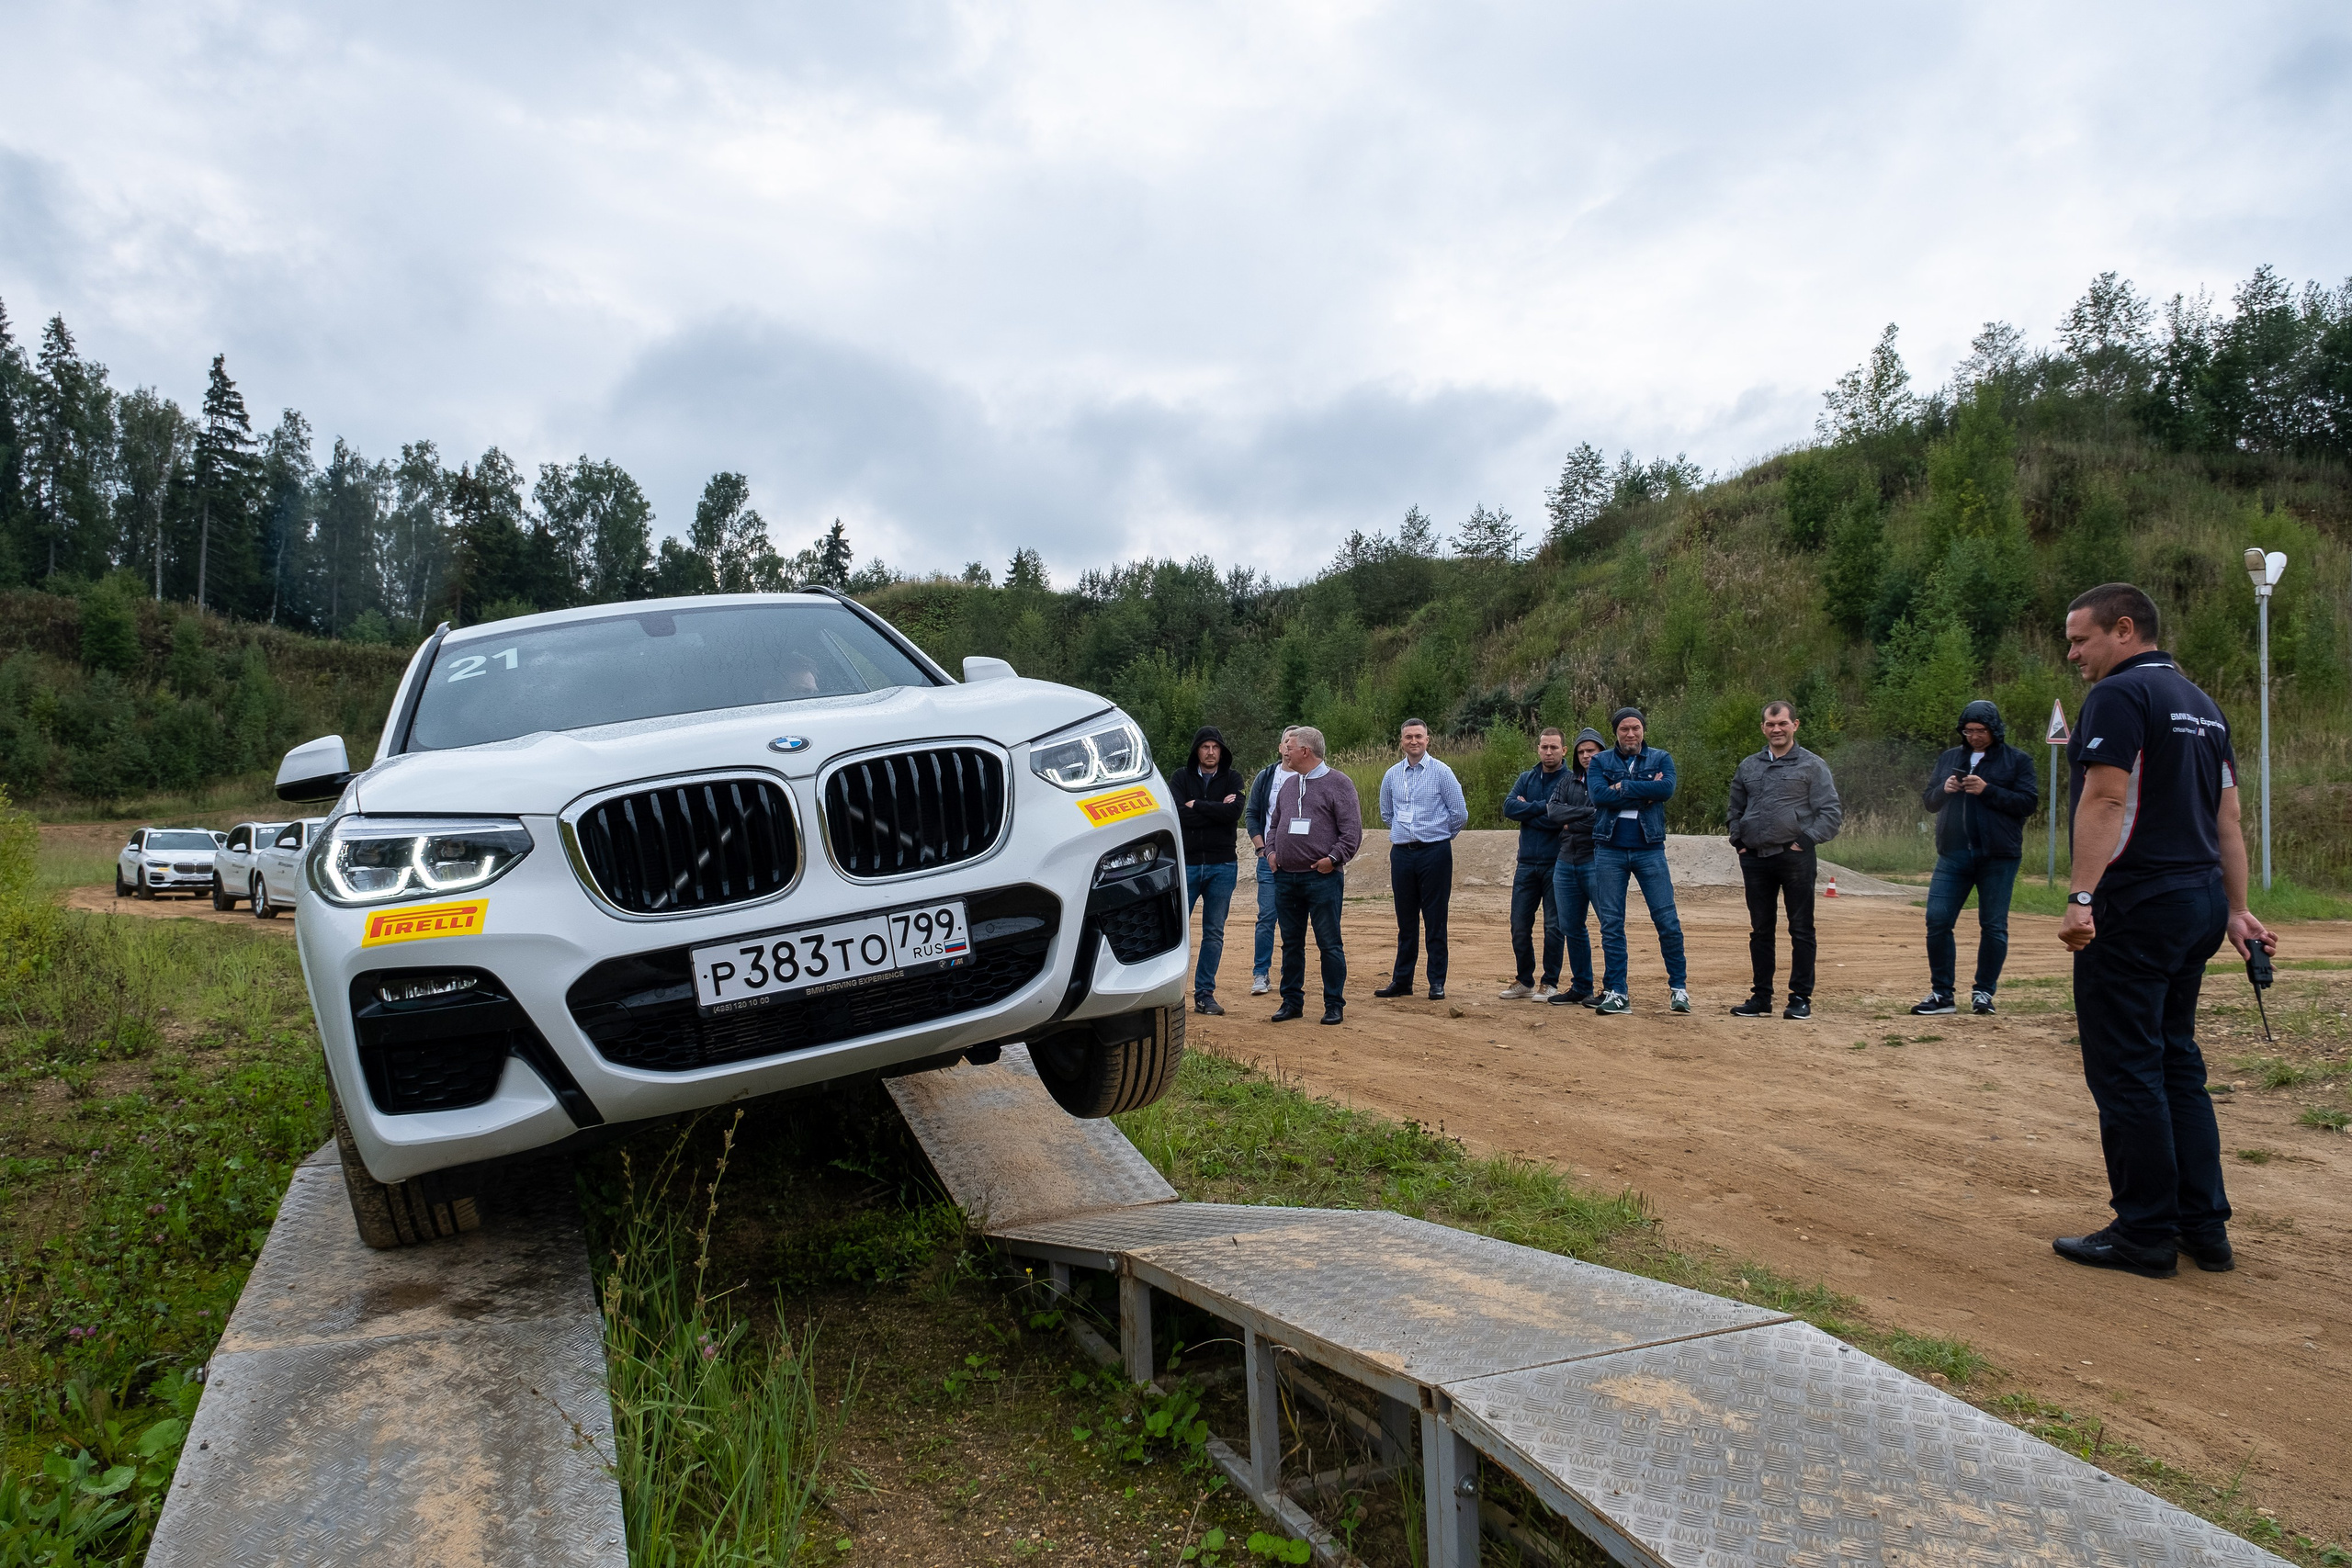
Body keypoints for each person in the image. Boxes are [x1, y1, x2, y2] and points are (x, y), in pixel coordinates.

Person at [2053, 582, 2275, 1280]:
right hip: (2200, 900)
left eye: (2081, 638)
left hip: (2138, 903)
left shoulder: (2121, 696)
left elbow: (2107, 795)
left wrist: (2081, 894)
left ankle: (2145, 1230)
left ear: (2125, 630)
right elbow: (2228, 821)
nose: (2073, 652)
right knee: (2176, 1058)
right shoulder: (2203, 706)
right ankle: (2202, 1226)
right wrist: (2236, 910)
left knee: (2127, 1066)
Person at [1910, 700, 2039, 1016]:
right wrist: (1945, 788)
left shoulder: (2018, 760)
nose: (1974, 736)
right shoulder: (1950, 758)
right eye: (1968, 731)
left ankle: (1983, 993)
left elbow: (2028, 803)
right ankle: (1942, 994)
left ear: (1994, 730)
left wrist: (1988, 790)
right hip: (1953, 854)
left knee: (1993, 925)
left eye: (1980, 730)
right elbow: (1929, 802)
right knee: (1937, 920)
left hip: (1998, 856)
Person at [1725, 701, 1843, 1020]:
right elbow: (1735, 807)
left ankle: (1800, 998)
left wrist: (1804, 840)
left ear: (1795, 725)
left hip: (1795, 859)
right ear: (1763, 728)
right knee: (1760, 930)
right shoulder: (1749, 766)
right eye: (1770, 724)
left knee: (1801, 929)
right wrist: (1738, 839)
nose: (1776, 729)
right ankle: (1761, 997)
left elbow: (1831, 812)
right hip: (1754, 859)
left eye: (1782, 723)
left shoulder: (1812, 766)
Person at [1587, 706, 1689, 1016]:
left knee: (1667, 920)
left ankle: (1679, 988)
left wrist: (1625, 787)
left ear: (1644, 729)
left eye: (1635, 728)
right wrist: (1646, 793)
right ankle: (1618, 993)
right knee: (1612, 924)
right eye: (1624, 730)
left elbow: (1666, 789)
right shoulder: (1600, 761)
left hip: (1649, 848)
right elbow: (1599, 796)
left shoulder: (1661, 759)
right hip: (1610, 849)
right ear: (1615, 733)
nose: (1630, 734)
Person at [1267, 726, 1363, 1025]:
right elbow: (1274, 825)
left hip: (1322, 879)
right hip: (1285, 877)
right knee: (1291, 944)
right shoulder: (1288, 785)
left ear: (1305, 751)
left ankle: (1334, 1004)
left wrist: (1332, 859)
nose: (1285, 751)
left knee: (1329, 943)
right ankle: (1291, 1002)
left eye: (1290, 747)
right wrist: (1271, 853)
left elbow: (1352, 833)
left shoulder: (1339, 784)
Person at [1374, 718, 1469, 1000]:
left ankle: (1436, 981)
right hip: (1402, 854)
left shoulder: (1442, 772)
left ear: (1428, 740)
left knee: (1435, 919)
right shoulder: (1391, 775)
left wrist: (1439, 837)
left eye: (1418, 736)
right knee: (1406, 921)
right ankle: (1402, 981)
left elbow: (1459, 813)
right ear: (1401, 741)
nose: (1413, 741)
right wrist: (1406, 833)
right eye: (1408, 737)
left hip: (1434, 853)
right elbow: (1386, 813)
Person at [1172, 727, 1246, 1016]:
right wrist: (1214, 810)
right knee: (1177, 932)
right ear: (1197, 751)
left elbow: (1233, 813)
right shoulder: (1180, 778)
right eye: (1205, 747)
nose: (1211, 752)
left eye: (1216, 747)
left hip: (1222, 864)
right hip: (1187, 863)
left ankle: (1204, 995)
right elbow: (1178, 814)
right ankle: (1169, 994)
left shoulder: (1233, 778)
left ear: (1222, 751)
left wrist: (1198, 806)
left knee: (1213, 932)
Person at [1498, 729, 1570, 998]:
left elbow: (1562, 817)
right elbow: (1508, 807)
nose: (1548, 752)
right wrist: (1547, 809)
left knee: (1554, 926)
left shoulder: (1570, 780)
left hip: (1557, 863)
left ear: (1564, 750)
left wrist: (1528, 810)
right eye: (1544, 747)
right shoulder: (1526, 778)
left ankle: (1549, 982)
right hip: (1526, 863)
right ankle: (1524, 981)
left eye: (1554, 747)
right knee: (1519, 924)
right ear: (1538, 748)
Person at [1545, 728, 1605, 1008]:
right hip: (1566, 860)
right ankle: (1581, 986)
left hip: (1597, 860)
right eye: (1581, 752)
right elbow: (1554, 812)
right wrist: (1587, 813)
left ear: (1601, 751)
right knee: (1571, 926)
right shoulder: (1568, 780)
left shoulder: (1609, 780)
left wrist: (1573, 820)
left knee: (1610, 925)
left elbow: (1603, 820)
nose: (1585, 756)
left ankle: (1616, 988)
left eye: (1591, 751)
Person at [1242, 728, 1299, 997]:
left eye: (1296, 743)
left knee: (1296, 920)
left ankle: (1291, 976)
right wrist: (1261, 848)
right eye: (1287, 743)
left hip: (1302, 861)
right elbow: (1252, 814)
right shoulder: (1266, 777)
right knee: (1267, 917)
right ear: (1280, 747)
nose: (1290, 748)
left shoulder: (1311, 776)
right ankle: (1260, 974)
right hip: (1269, 859)